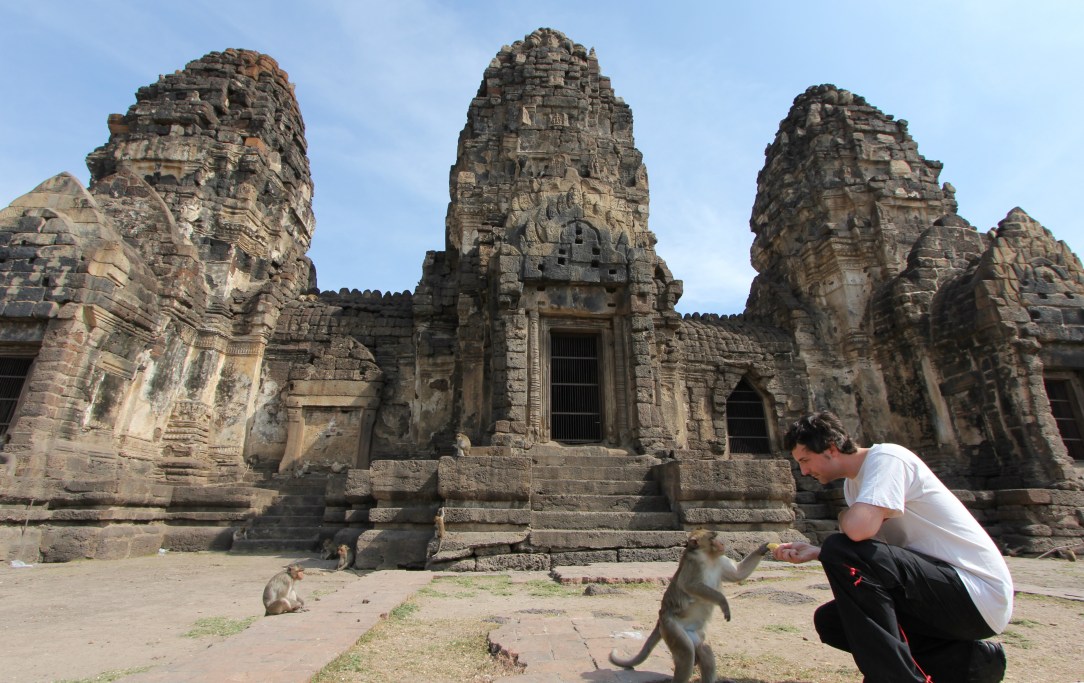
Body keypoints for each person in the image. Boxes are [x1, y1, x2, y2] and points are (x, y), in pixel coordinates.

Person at [772, 411, 1012, 683]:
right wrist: (818, 552)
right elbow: (874, 559)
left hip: (974, 594)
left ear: (831, 449)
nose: (804, 471)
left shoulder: (887, 459)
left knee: (840, 546)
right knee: (833, 621)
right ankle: (970, 663)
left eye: (805, 460)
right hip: (938, 593)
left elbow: (858, 531)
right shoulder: (854, 486)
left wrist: (838, 536)